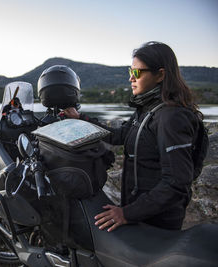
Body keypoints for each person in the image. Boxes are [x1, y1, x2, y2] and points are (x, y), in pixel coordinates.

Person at [64, 41, 203, 231]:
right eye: (130, 72)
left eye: (137, 72)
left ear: (160, 75)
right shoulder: (146, 110)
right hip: (140, 212)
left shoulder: (171, 117)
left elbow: (176, 183)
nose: (131, 78)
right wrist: (81, 119)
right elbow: (119, 135)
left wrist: (127, 214)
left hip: (158, 222)